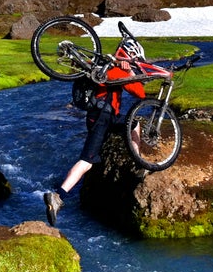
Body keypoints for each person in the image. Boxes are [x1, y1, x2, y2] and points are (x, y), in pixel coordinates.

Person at [44, 37, 146, 226]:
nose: (134, 61)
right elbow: (139, 93)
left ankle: (137, 159)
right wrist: (128, 70)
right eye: (133, 57)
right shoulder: (115, 69)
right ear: (127, 54)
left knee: (133, 123)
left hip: (100, 116)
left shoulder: (102, 65)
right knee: (86, 162)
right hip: (103, 118)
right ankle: (58, 195)